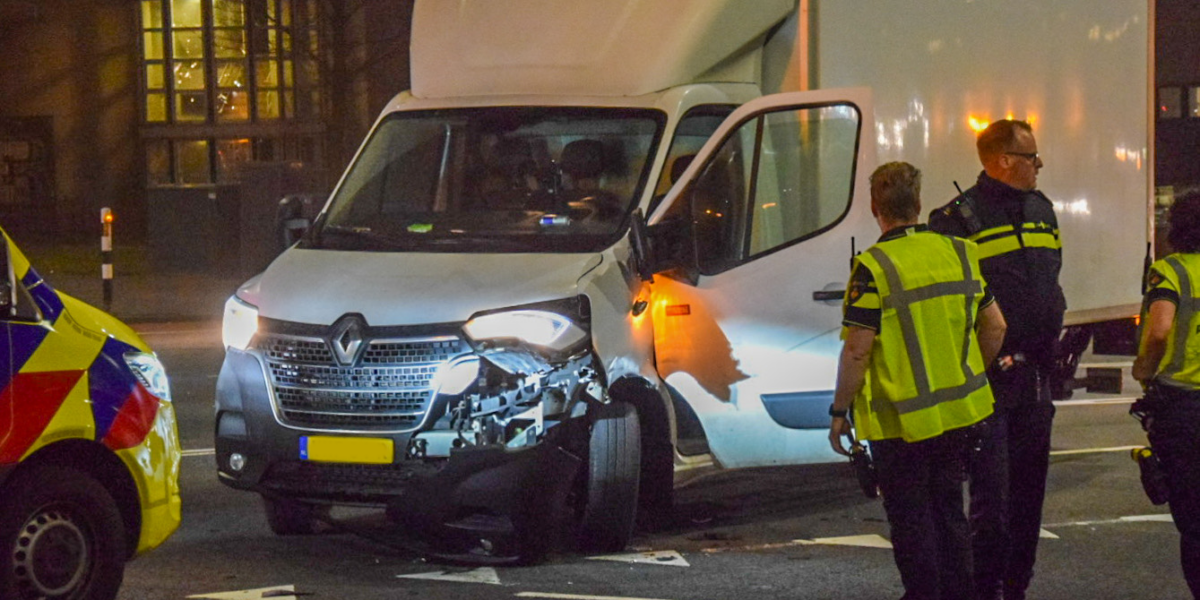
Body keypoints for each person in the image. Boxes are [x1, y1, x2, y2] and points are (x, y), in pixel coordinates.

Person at [830, 161, 1007, 600]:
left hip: (900, 424)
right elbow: (996, 327)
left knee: (912, 522)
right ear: (919, 205)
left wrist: (839, 412)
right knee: (950, 513)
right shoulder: (960, 253)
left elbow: (857, 348)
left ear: (876, 208)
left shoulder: (874, 267)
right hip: (958, 417)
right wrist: (967, 373)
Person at [928, 119, 1065, 600]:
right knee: (993, 503)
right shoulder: (956, 220)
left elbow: (1048, 284)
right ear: (1003, 160)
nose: (1039, 164)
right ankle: (984, 591)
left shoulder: (1043, 211)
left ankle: (1017, 589)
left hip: (1037, 378)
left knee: (1029, 500)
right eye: (1031, 157)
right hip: (989, 384)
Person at [1132, 190, 1200, 599]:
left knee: (1194, 521)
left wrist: (1144, 370)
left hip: (1185, 407)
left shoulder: (1171, 271)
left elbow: (1159, 329)